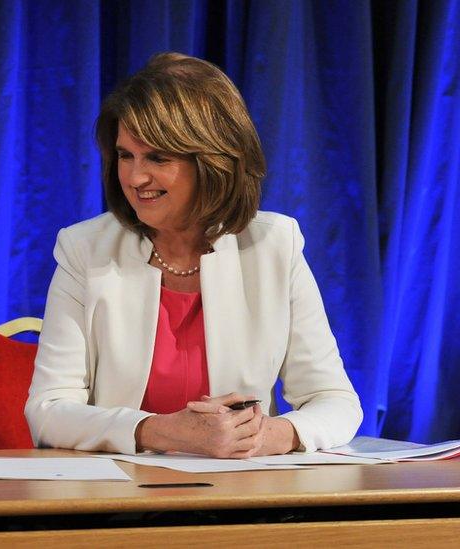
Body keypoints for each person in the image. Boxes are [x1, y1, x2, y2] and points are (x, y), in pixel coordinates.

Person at [25, 53, 362, 458]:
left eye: (157, 157)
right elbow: (48, 410)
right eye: (125, 156)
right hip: (121, 498)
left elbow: (335, 401)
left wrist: (269, 436)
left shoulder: (275, 245)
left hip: (246, 495)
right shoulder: (84, 249)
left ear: (212, 161)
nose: (135, 178)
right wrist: (160, 431)